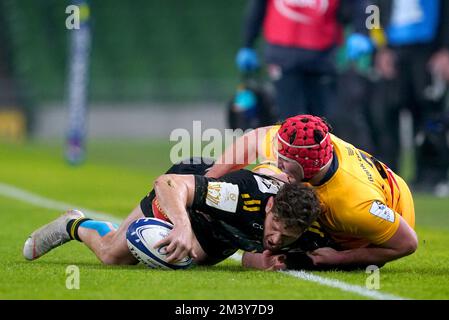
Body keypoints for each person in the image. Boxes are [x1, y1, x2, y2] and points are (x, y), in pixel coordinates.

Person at [23, 159, 324, 269]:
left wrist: (267, 260)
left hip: (220, 232)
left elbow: (249, 256)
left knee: (189, 258)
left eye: (287, 237)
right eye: (276, 228)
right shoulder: (237, 195)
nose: (276, 238)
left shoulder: (302, 225)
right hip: (188, 198)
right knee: (111, 255)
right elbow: (167, 184)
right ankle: (73, 224)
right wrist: (181, 225)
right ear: (269, 206)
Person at [205, 115, 418, 270]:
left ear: (306, 167)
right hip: (372, 187)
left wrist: (339, 259)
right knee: (266, 173)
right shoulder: (308, 146)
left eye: (285, 162)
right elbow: (254, 139)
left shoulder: (354, 206)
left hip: (380, 223)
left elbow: (407, 243)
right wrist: (211, 178)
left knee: (262, 257)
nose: (279, 161)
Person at [346, 0, 449, 196]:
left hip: (428, 50)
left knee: (431, 116)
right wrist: (379, 48)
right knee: (384, 116)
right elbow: (372, 9)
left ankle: (433, 176)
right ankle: (387, 176)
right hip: (391, 50)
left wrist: (445, 49)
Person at [235, 0, 356, 121]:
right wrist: (248, 44)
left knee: (324, 120)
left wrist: (361, 32)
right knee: (286, 119)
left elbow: (356, 7)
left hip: (322, 59)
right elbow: (256, 9)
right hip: (282, 57)